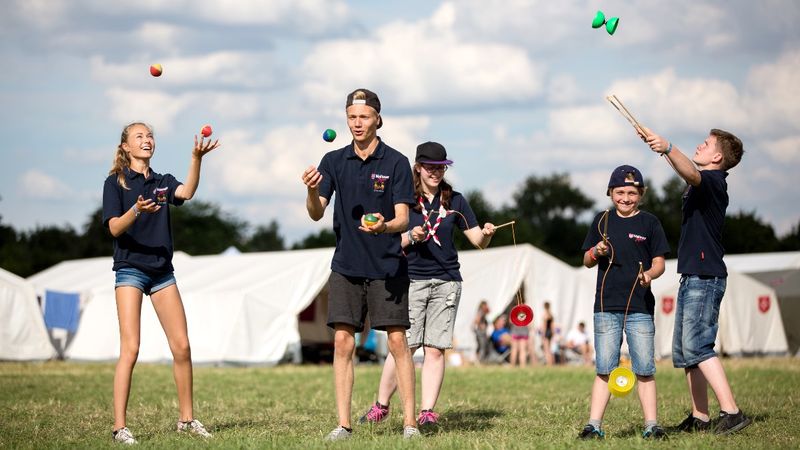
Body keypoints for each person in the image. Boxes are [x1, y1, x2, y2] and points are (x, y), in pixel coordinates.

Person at [301, 88, 419, 441]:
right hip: (346, 266)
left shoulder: (396, 162)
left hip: (387, 266)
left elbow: (403, 218)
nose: (357, 123)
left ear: (378, 119)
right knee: (342, 343)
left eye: (364, 116)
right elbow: (316, 212)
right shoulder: (333, 161)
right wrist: (310, 191)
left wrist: (384, 226)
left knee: (398, 343)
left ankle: (410, 424)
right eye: (351, 116)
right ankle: (343, 424)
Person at [359, 142, 495, 428]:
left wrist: (486, 233)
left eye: (441, 168)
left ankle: (427, 412)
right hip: (409, 280)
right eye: (430, 167)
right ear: (418, 167)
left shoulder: (455, 201)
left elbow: (477, 241)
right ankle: (381, 405)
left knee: (435, 348)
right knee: (403, 347)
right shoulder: (404, 200)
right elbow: (387, 241)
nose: (435, 173)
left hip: (447, 282)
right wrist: (411, 236)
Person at [102, 122, 219, 444]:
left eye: (149, 136)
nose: (147, 140)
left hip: (162, 272)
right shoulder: (115, 183)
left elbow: (188, 192)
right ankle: (119, 427)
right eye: (139, 136)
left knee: (181, 346)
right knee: (131, 348)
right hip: (130, 269)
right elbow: (113, 228)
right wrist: (136, 210)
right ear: (125, 146)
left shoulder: (162, 182)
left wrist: (197, 158)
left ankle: (187, 420)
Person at [644, 128, 750, 434]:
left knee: (698, 346)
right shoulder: (703, 183)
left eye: (706, 144)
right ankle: (700, 417)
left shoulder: (714, 182)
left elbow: (691, 173)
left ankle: (732, 412)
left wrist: (668, 146)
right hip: (694, 276)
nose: (699, 146)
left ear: (717, 157)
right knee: (687, 352)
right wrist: (661, 150)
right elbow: (687, 172)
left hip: (705, 277)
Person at [579, 165, 670, 440]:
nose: (626, 198)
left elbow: (660, 262)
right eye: (620, 192)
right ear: (610, 193)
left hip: (640, 308)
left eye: (632, 192)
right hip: (606, 307)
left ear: (641, 194)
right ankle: (594, 425)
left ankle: (651, 425)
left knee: (644, 368)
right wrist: (597, 251)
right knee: (605, 368)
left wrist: (649, 274)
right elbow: (585, 260)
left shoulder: (650, 223)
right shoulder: (601, 220)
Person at [509, 303, 530, 368]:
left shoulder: (514, 310)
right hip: (524, 332)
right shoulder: (526, 311)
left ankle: (512, 365)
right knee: (522, 350)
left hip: (515, 332)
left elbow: (510, 321)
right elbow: (529, 321)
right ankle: (522, 366)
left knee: (514, 349)